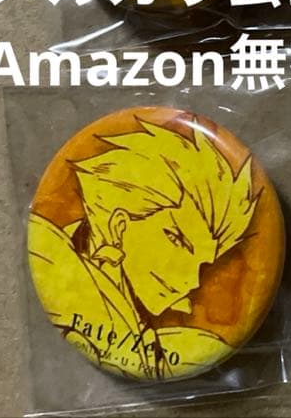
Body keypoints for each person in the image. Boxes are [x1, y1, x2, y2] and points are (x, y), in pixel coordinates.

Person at [28, 117, 257, 379]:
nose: (192, 281)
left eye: (202, 264)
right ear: (119, 226)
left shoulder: (177, 345)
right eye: (178, 240)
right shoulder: (50, 257)